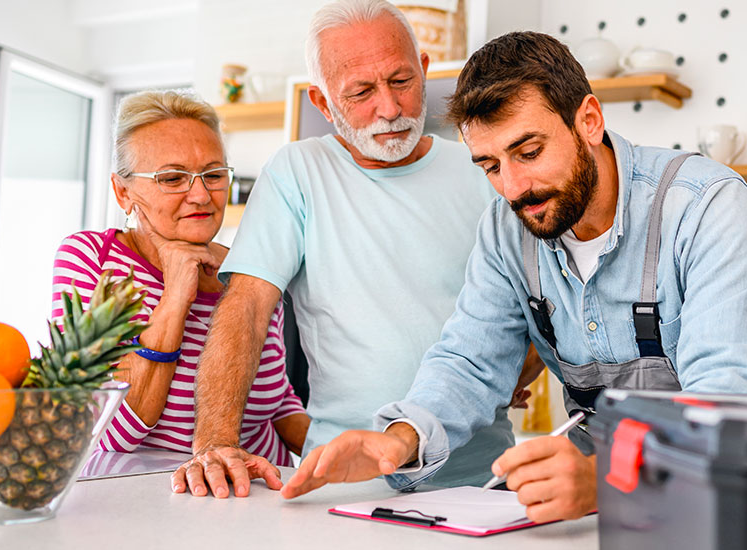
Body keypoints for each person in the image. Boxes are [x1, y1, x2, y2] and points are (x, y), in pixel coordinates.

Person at [279, 32, 747, 522]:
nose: (514, 187)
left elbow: (722, 399)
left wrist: (606, 482)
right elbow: (469, 361)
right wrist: (400, 439)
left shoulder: (706, 207)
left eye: (529, 152)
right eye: (490, 166)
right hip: (597, 510)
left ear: (588, 120)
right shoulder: (507, 230)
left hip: (733, 497)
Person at [171, 0, 541, 498]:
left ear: (425, 72)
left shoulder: (484, 169)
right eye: (361, 92)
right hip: (346, 483)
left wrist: (510, 371)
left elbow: (543, 299)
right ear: (322, 103)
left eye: (402, 81)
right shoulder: (297, 172)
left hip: (482, 479)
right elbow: (247, 308)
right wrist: (215, 442)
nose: (389, 109)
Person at [52, 91, 307, 485]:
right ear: (123, 192)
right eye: (172, 178)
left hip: (260, 491)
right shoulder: (92, 259)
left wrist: (344, 454)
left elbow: (279, 399)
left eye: (214, 175)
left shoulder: (249, 268)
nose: (201, 195)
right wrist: (175, 298)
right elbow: (110, 434)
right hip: (148, 499)